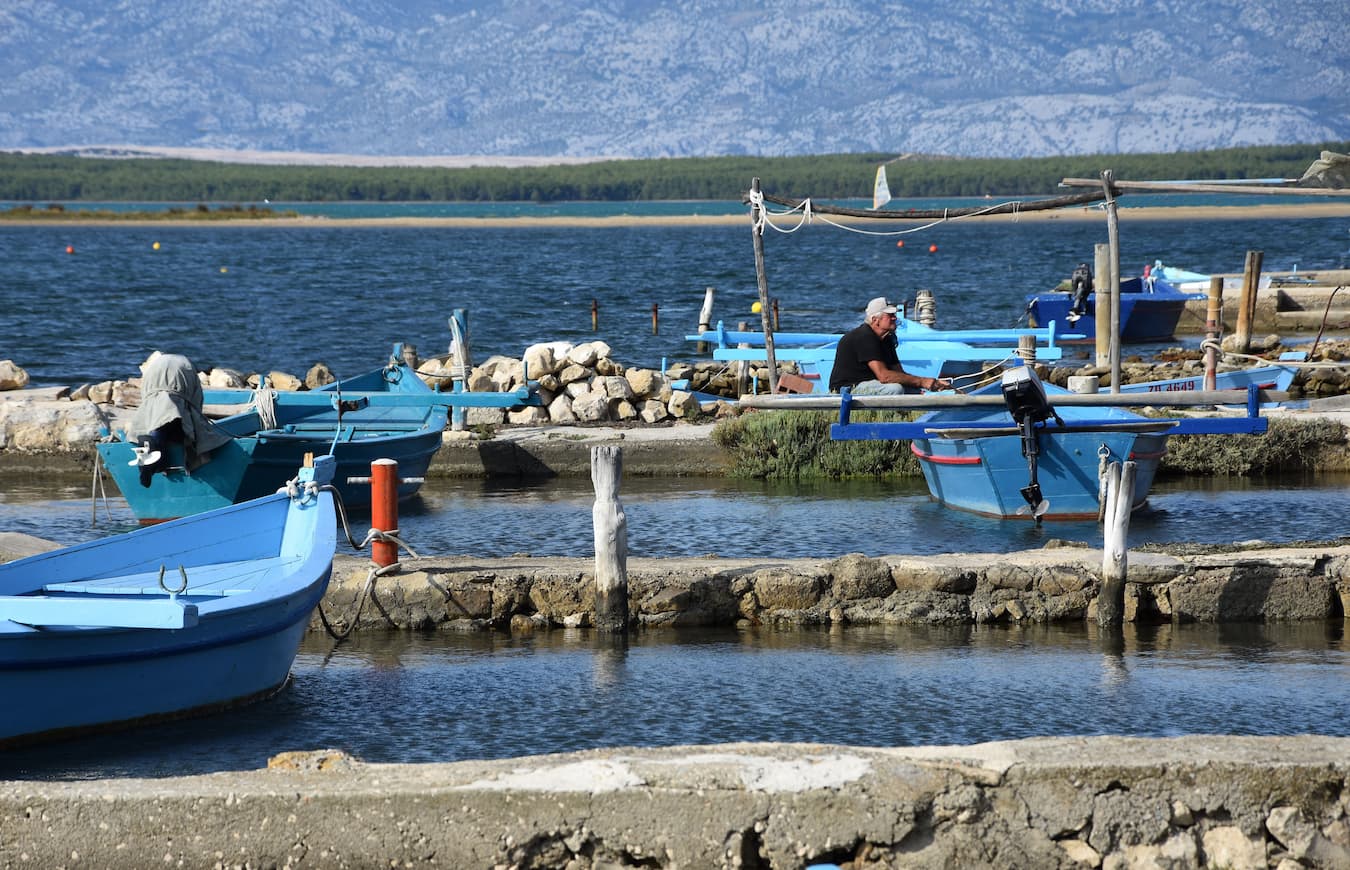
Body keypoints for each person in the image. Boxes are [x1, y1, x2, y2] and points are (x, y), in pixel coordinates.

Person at [828, 297, 954, 394]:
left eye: (894, 315)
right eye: (890, 315)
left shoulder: (887, 338)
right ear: (875, 320)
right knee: (895, 389)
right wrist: (922, 381)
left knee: (914, 391)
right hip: (848, 388)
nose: (894, 318)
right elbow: (885, 376)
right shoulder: (864, 336)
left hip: (872, 384)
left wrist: (931, 384)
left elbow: (899, 373)